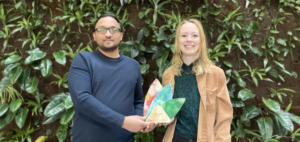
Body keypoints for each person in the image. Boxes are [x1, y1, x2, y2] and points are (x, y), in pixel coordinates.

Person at [68, 13, 155, 142]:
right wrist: (123, 122)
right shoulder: (83, 60)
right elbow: (82, 99)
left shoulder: (133, 65)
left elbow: (137, 101)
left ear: (121, 35)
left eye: (113, 29)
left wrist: (142, 122)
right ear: (94, 35)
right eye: (102, 29)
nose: (108, 34)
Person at [161, 19, 233, 142]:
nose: (189, 39)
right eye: (184, 35)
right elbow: (166, 112)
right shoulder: (169, 74)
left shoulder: (216, 74)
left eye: (195, 35)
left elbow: (224, 117)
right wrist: (165, 117)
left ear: (201, 41)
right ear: (178, 41)